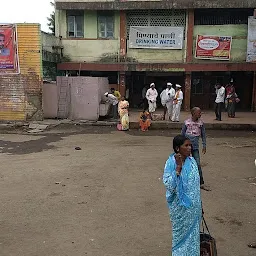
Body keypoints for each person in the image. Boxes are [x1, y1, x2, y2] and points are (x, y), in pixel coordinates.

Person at [163, 135, 201, 255]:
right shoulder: (170, 163)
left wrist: (199, 204)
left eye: (190, 145)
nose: (190, 148)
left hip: (194, 209)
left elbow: (195, 185)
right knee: (180, 237)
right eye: (186, 145)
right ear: (177, 148)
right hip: (180, 210)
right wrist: (178, 168)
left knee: (193, 237)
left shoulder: (192, 161)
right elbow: (169, 185)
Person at [181, 107, 210, 191]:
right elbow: (182, 135)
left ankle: (201, 183)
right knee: (184, 164)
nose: (200, 114)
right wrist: (180, 147)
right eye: (198, 113)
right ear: (193, 113)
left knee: (197, 164)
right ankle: (184, 181)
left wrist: (204, 145)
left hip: (195, 147)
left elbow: (203, 135)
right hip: (186, 148)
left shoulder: (201, 124)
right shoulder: (187, 123)